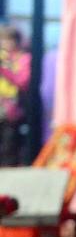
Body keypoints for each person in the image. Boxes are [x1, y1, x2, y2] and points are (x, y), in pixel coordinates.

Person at [0, 26, 30, 166]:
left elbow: (22, 82)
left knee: (9, 145)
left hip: (13, 109)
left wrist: (4, 71)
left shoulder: (24, 59)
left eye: (7, 40)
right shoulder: (3, 57)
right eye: (3, 40)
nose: (5, 43)